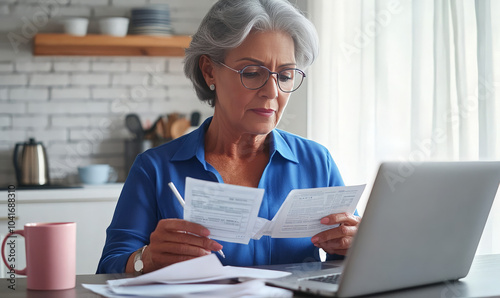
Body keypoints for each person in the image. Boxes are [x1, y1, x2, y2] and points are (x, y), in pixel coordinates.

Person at [97, 0, 360, 275]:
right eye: (252, 72)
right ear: (209, 71)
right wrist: (147, 258)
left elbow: (348, 264)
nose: (272, 92)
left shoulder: (317, 162)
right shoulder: (154, 169)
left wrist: (357, 245)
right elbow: (108, 269)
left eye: (285, 75)